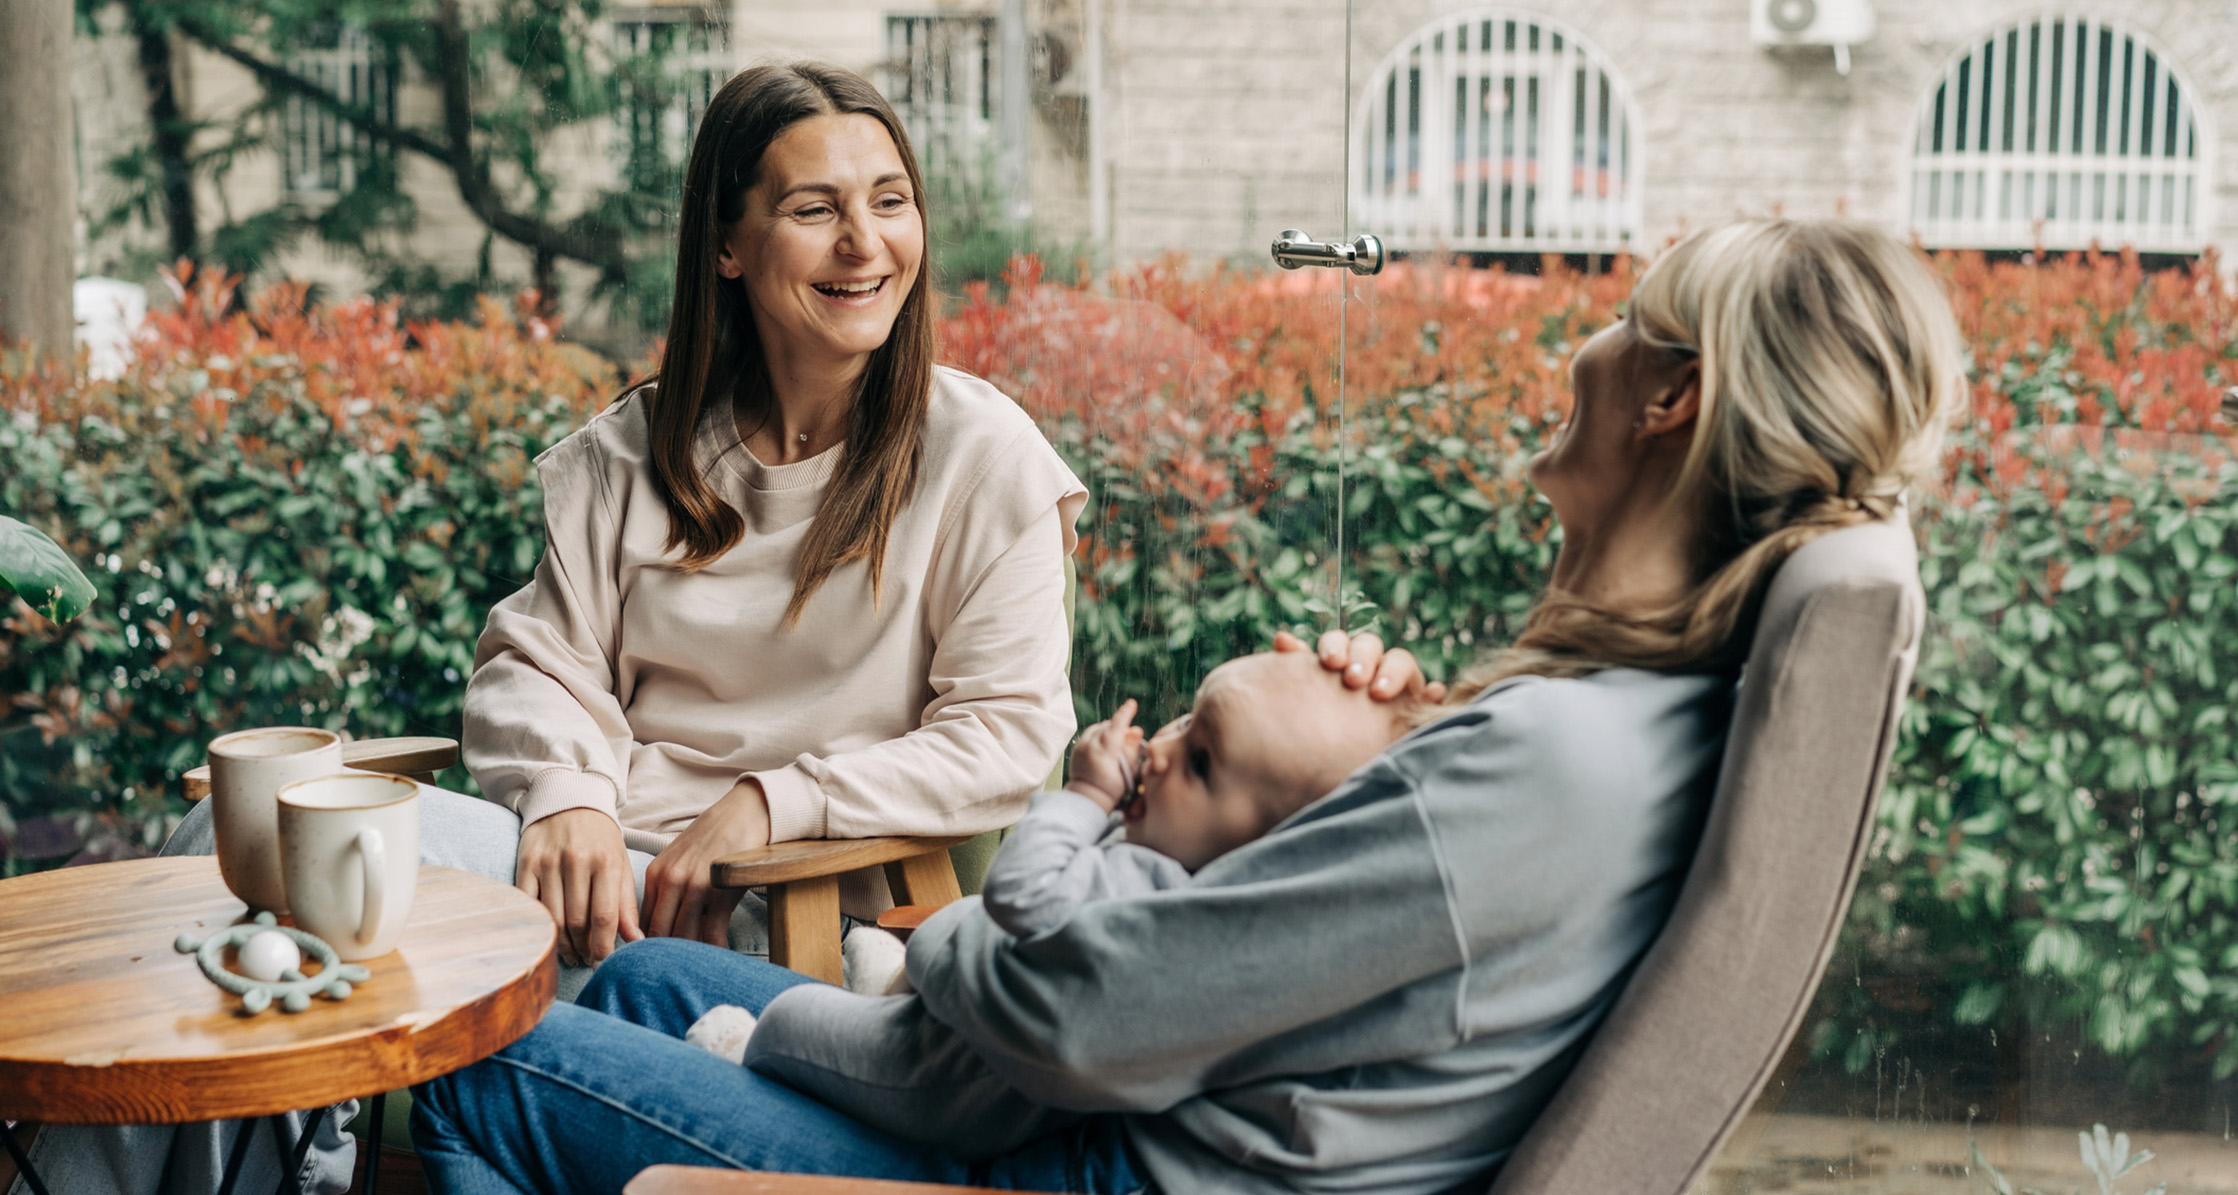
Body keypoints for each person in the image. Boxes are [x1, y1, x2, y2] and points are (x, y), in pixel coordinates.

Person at [411, 216, 1963, 1195]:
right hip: (1086, 1107)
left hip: (1080, 1150)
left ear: (1671, 393)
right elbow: (1359, 953)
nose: (1588, 341)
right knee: (647, 987)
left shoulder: (1549, 757)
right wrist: (1365, 755)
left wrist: (925, 941)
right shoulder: (1617, 723)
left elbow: (1066, 1011)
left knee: (463, 1066)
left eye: (1627, 320)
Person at [10, 61, 1086, 1195]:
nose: (865, 243)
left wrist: (774, 798)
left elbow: (1008, 734)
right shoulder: (637, 454)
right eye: (815, 209)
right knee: (251, 846)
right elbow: (535, 660)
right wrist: (568, 792)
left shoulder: (981, 456)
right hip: (581, 888)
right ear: (727, 245)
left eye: (890, 200)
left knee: (284, 916)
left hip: (783, 925)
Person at [682, 651, 1416, 1161]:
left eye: (1199, 761)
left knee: (794, 1019)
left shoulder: (1148, 893)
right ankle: (888, 985)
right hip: (966, 1033)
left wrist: (1087, 796)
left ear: (1259, 851)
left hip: (933, 1079)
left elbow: (1022, 890)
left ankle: (743, 1053)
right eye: (1186, 720)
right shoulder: (1179, 875)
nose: (1162, 748)